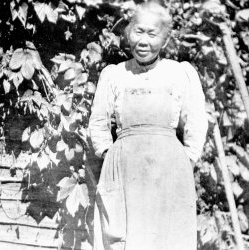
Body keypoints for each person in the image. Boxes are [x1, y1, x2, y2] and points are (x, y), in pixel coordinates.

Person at [89, 2, 208, 250]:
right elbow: (98, 122)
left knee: (167, 238)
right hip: (124, 172)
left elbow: (196, 121)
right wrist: (109, 155)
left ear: (164, 41)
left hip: (169, 173)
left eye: (152, 34)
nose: (143, 41)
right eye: (138, 31)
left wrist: (186, 159)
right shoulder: (114, 74)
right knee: (122, 237)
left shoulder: (179, 73)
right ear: (128, 33)